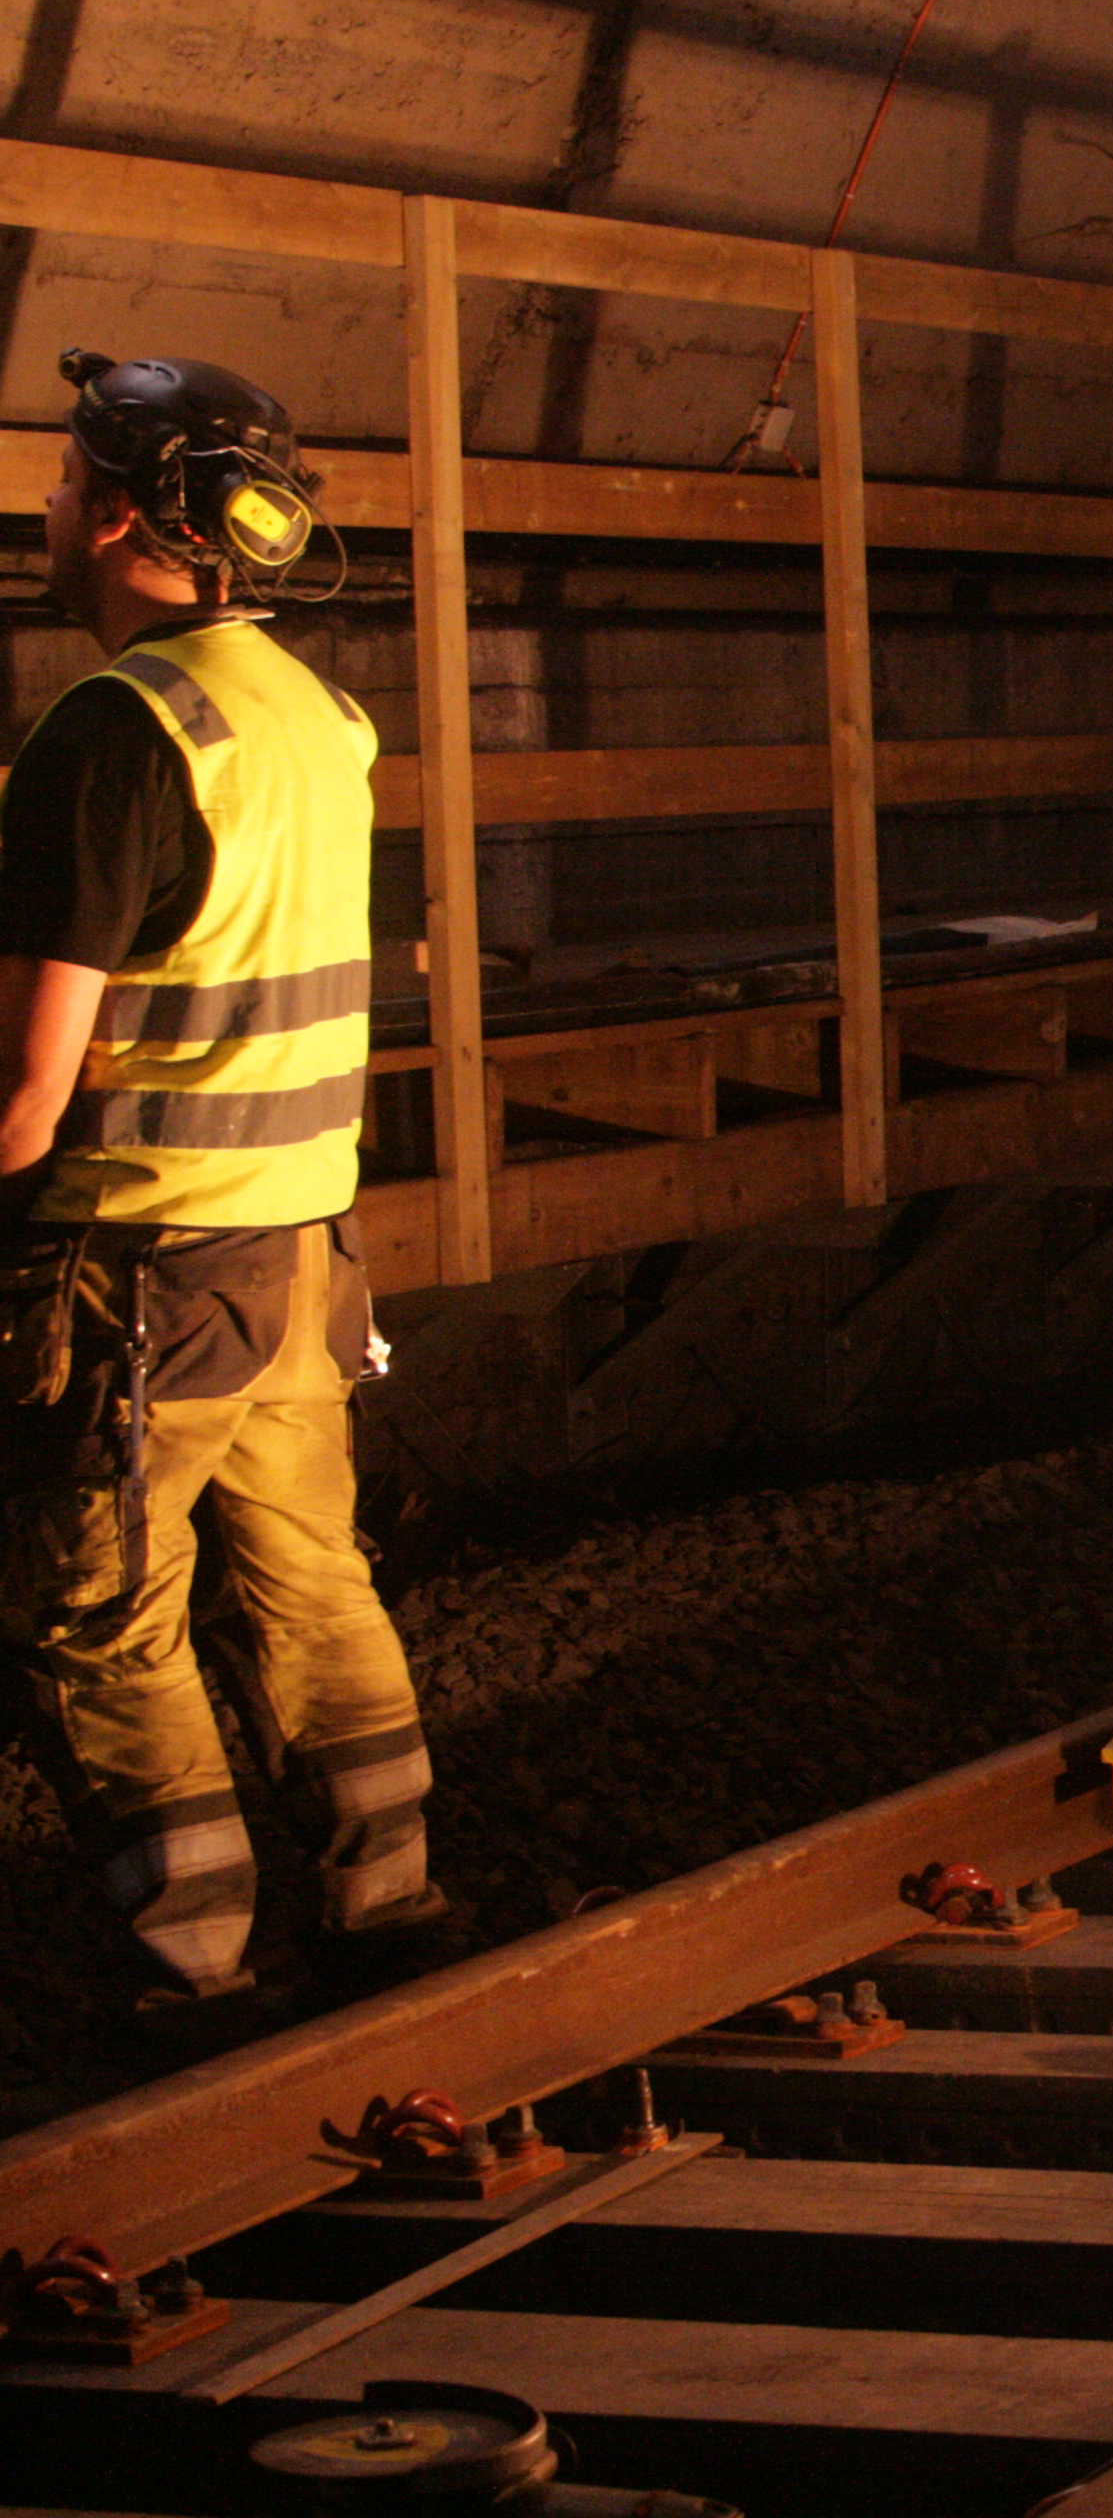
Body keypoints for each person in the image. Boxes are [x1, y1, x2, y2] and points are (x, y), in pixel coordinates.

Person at [0, 347, 440, 2034]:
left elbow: (29, 1081)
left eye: (55, 487)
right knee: (312, 1578)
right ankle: (386, 1897)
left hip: (143, 1264)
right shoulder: (316, 716)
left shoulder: (112, 733)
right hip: (298, 1255)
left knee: (99, 1611)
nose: (43, 513)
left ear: (116, 516)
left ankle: (191, 1964)